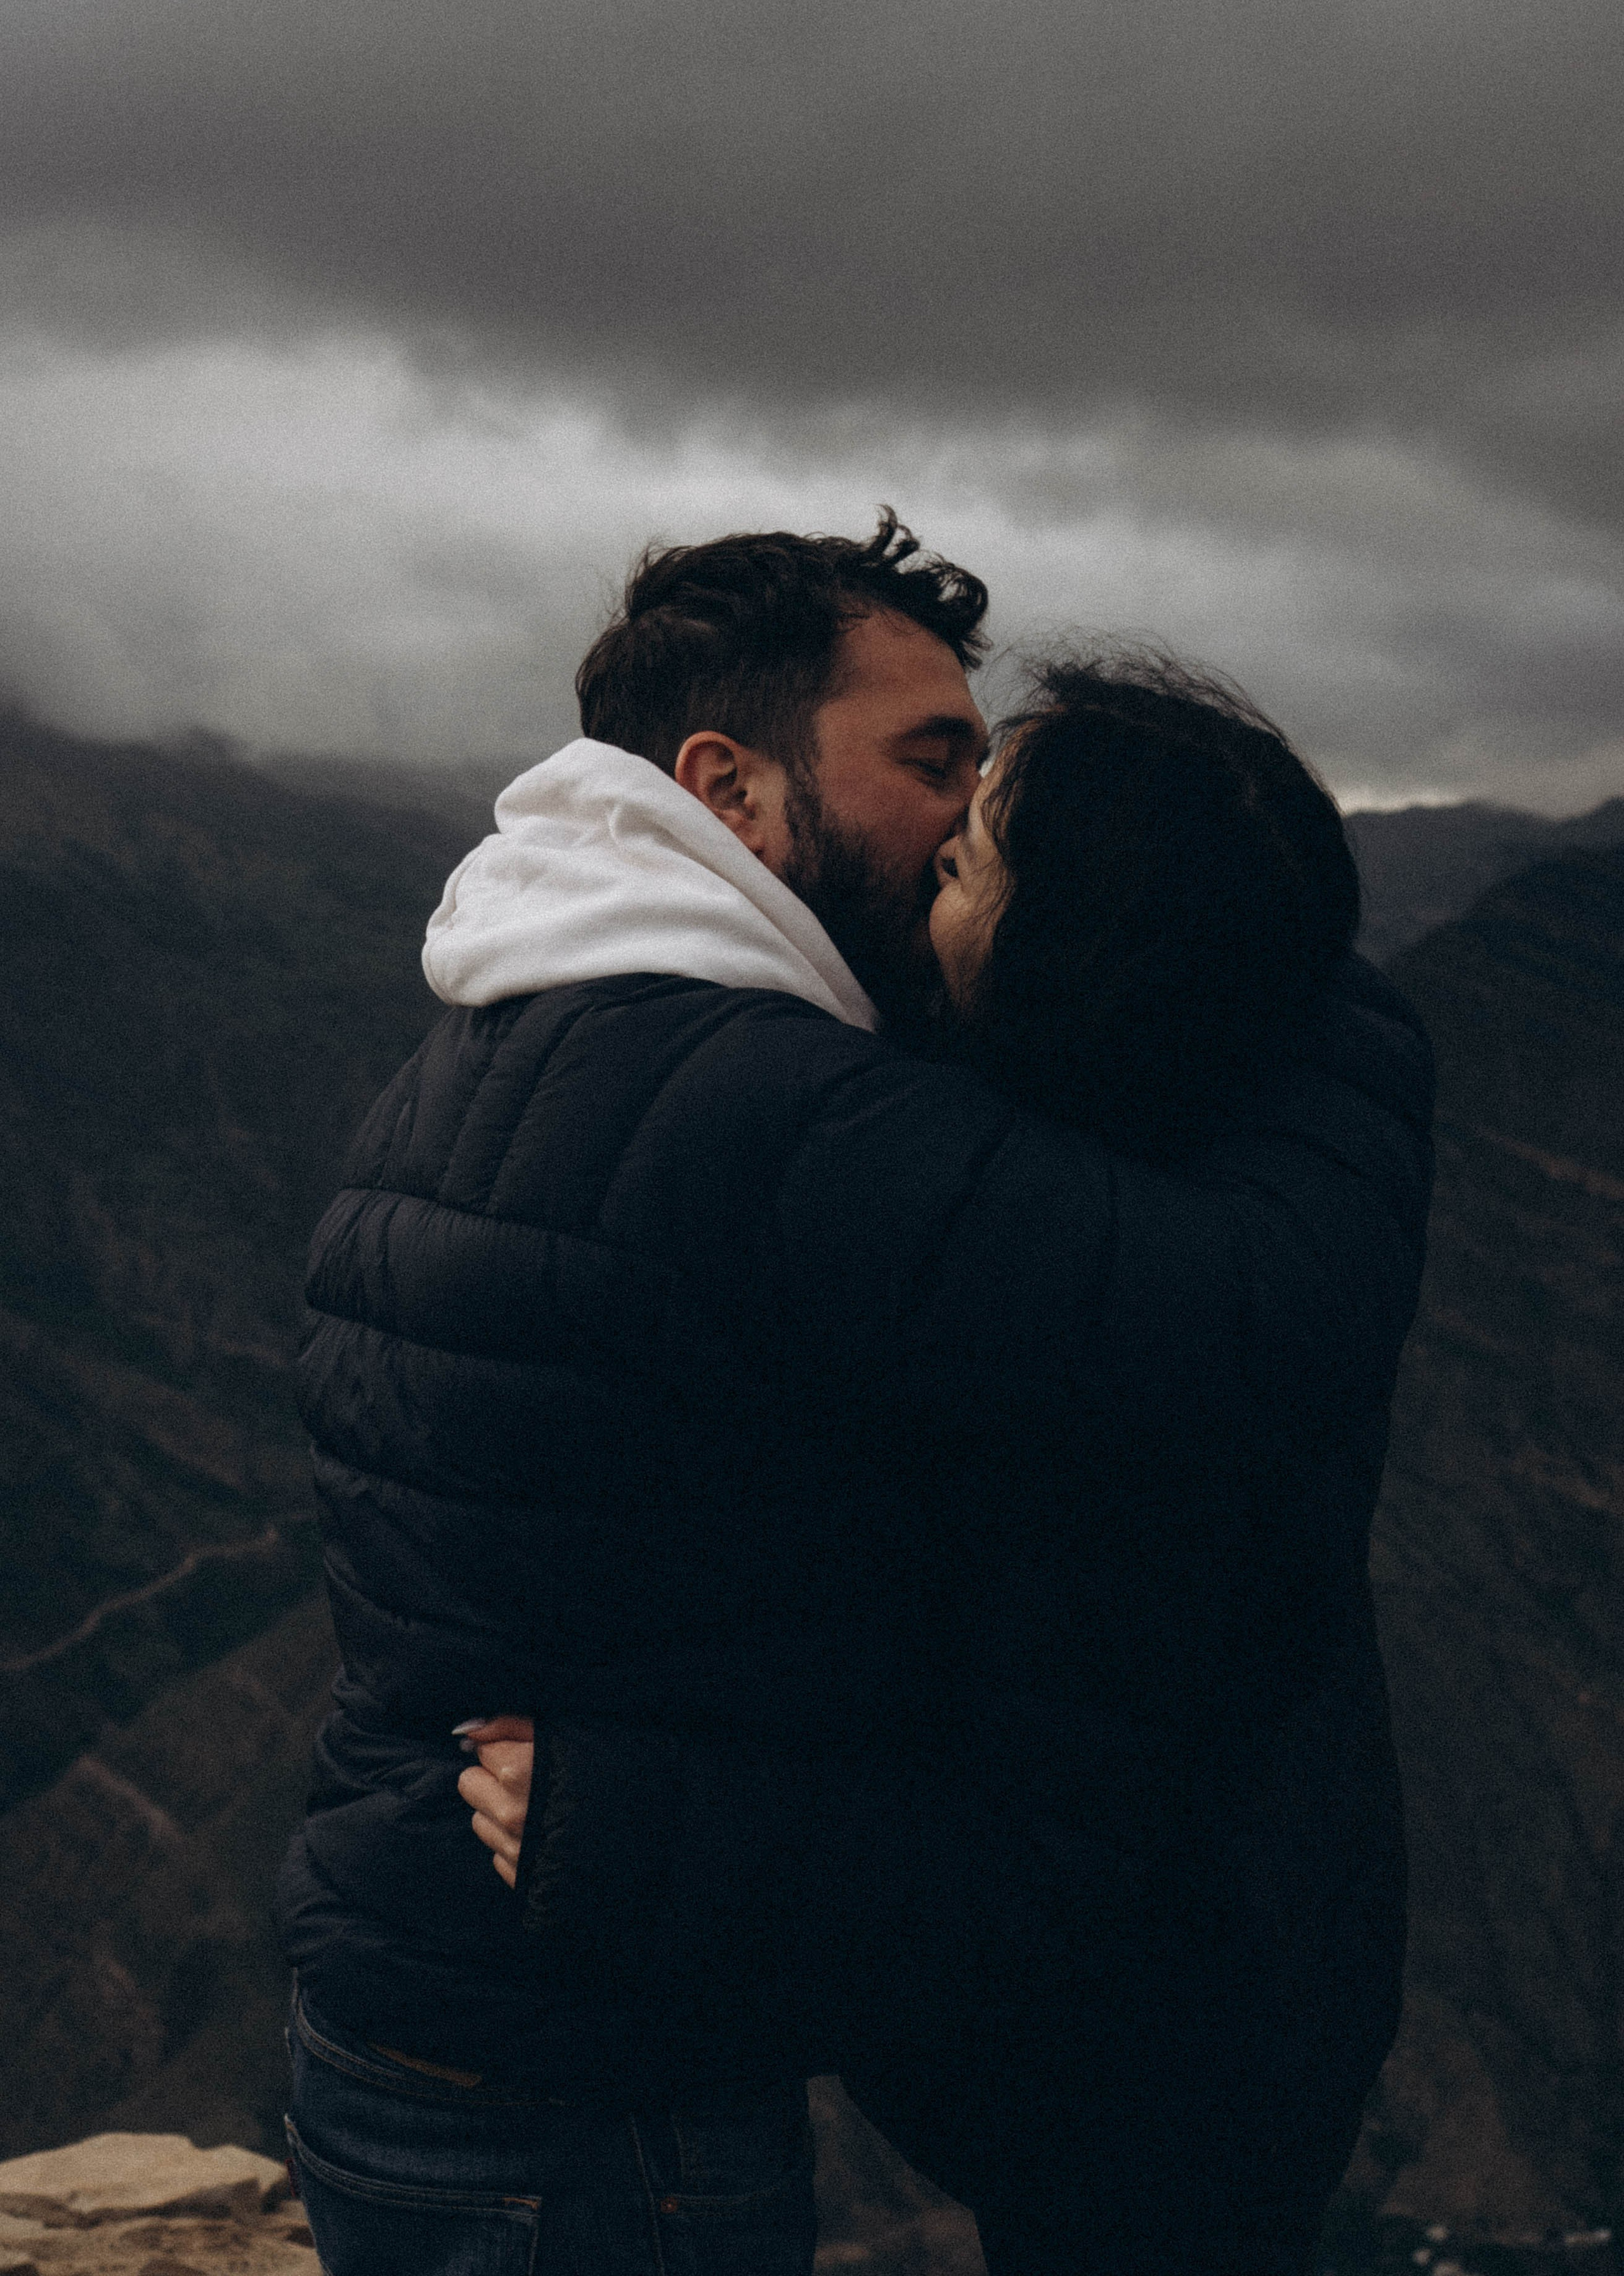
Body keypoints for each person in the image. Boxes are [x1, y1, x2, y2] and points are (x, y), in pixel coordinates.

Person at [277, 516, 1432, 2274]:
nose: (955, 822)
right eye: (932, 765)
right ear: (728, 789)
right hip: (582, 2099)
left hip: (425, 2019)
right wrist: (1285, 947)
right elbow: (1269, 1308)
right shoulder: (780, 1113)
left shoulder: (514, 1002)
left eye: (981, 781)